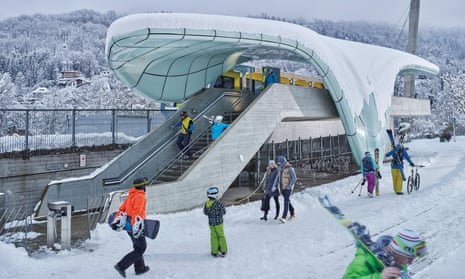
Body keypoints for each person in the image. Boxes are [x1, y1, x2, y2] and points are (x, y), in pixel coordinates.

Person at [342, 228, 426, 279]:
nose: (410, 263)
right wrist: (380, 277)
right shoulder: (364, 261)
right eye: (408, 258)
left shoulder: (398, 263)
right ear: (396, 252)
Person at [112, 177, 150, 277]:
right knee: (141, 248)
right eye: (145, 185)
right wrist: (136, 227)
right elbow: (136, 213)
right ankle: (121, 266)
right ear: (143, 186)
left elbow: (121, 210)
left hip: (128, 227)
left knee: (137, 246)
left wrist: (117, 220)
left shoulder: (130, 196)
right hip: (135, 226)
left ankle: (140, 268)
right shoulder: (140, 197)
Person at [203, 186, 228, 257]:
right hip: (219, 223)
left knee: (213, 237)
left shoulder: (206, 204)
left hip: (211, 223)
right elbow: (224, 212)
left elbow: (205, 212)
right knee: (221, 236)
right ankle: (223, 250)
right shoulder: (219, 203)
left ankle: (214, 251)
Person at [276, 156, 297, 224]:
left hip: (288, 188)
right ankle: (292, 213)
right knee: (287, 201)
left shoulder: (290, 168)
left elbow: (294, 178)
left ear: (283, 162)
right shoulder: (280, 169)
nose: (279, 164)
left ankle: (283, 217)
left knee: (286, 202)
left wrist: (289, 186)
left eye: (280, 163)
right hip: (282, 188)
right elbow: (278, 178)